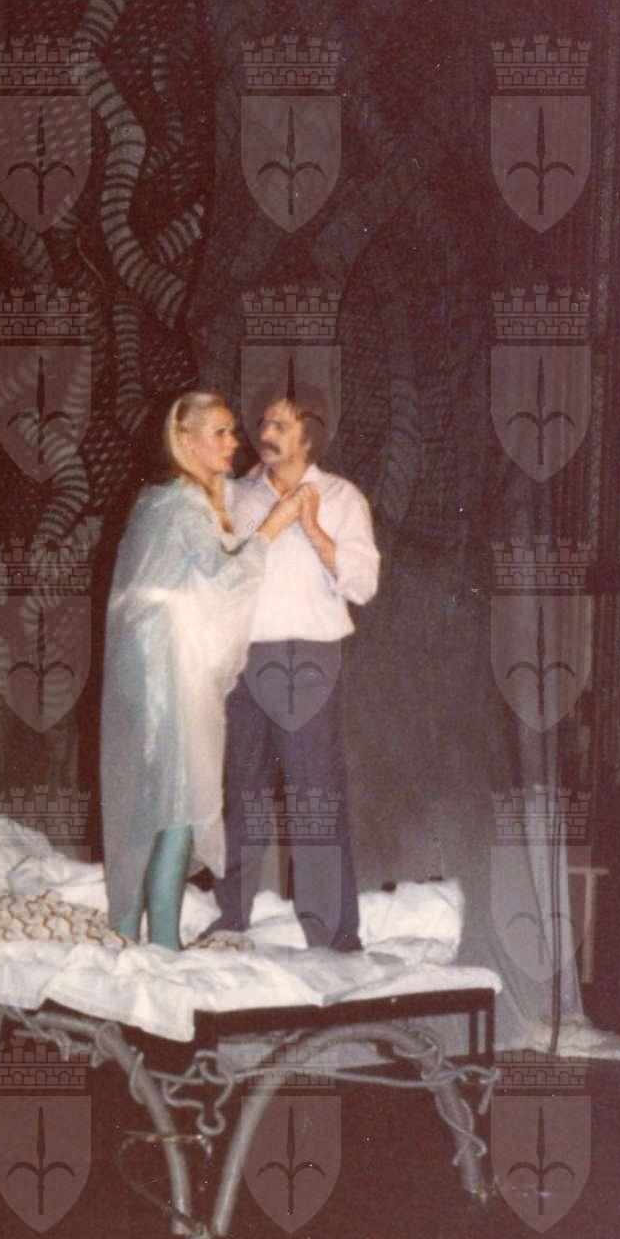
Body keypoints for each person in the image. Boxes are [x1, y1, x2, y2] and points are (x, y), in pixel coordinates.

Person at [100, 389, 306, 948]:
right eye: (220, 432)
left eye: (232, 431)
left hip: (157, 670)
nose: (234, 442)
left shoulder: (165, 501)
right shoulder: (184, 506)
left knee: (155, 806)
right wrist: (275, 525)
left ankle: (131, 939)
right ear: (186, 441)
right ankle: (160, 947)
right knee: (178, 808)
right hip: (169, 673)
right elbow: (224, 576)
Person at [210, 384, 380, 948]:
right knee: (242, 795)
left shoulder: (342, 497)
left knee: (315, 799)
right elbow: (215, 574)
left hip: (310, 659)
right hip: (244, 659)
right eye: (263, 423)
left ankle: (333, 934)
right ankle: (230, 921)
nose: (264, 433)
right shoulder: (233, 495)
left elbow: (363, 585)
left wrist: (312, 527)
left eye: (279, 425)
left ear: (310, 438)